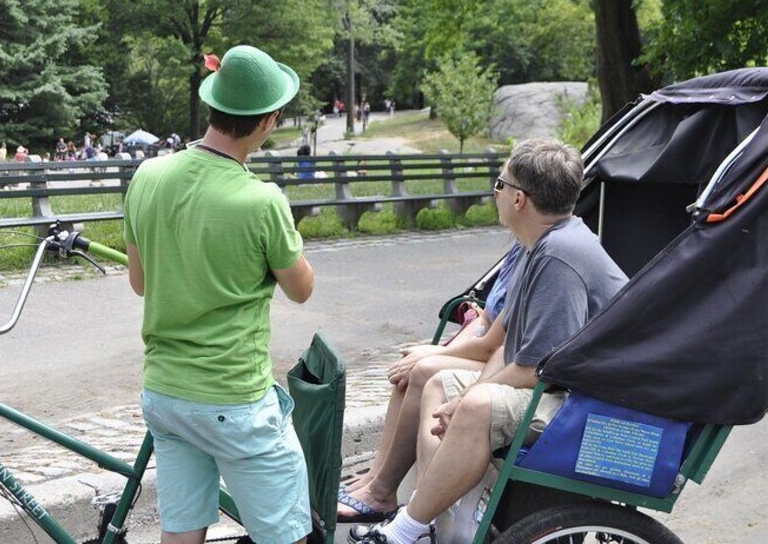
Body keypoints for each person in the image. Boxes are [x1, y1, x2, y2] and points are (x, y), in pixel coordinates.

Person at [351, 138, 628, 544]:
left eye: (500, 184)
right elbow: (507, 347)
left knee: (477, 404)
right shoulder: (544, 245)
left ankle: (403, 531)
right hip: (567, 391)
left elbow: (536, 370)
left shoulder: (558, 257)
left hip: (587, 406)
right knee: (440, 384)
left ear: (519, 199)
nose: (495, 192)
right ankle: (439, 524)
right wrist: (459, 396)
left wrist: (468, 401)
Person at [123, 45, 314, 544]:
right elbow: (301, 289)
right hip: (234, 399)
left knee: (182, 531)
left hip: (165, 394)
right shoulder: (261, 199)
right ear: (267, 120)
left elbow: (140, 282)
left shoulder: (147, 176)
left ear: (214, 105)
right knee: (286, 534)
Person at [338, 243, 523, 523]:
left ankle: (386, 494)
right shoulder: (520, 249)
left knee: (424, 370)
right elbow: (485, 318)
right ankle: (377, 478)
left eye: (499, 194)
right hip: (491, 351)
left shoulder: (539, 254)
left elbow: (494, 346)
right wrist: (438, 351)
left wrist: (437, 353)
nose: (496, 197)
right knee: (409, 370)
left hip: (505, 360)